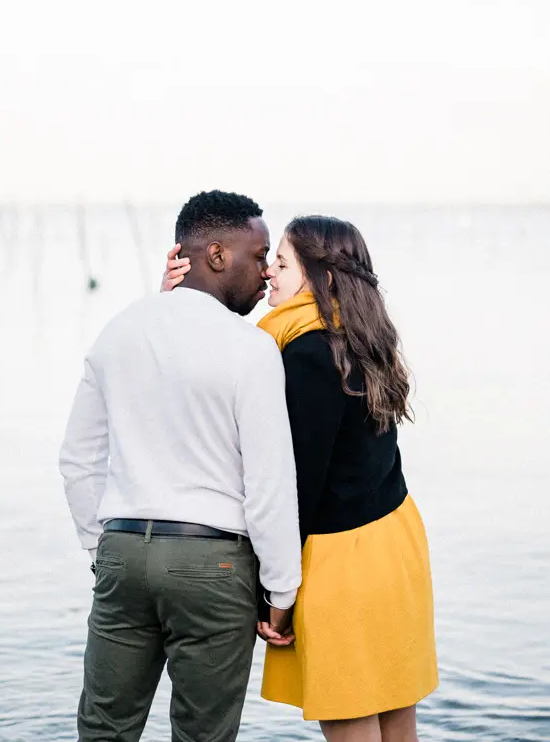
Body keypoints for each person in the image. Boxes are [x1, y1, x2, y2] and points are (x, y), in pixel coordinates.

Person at [164, 214, 439, 742]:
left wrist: (276, 597)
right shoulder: (356, 337)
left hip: (344, 560)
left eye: (283, 263)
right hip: (393, 541)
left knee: (351, 707)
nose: (268, 273)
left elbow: (297, 486)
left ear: (324, 279)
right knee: (394, 705)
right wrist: (181, 304)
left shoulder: (308, 353)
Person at [59, 190, 302, 742]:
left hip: (123, 549)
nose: (266, 273)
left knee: (104, 729)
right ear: (216, 255)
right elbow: (268, 485)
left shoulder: (117, 331)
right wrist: (281, 594)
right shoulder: (251, 349)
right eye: (259, 254)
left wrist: (102, 551)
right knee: (203, 735)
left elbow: (77, 460)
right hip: (211, 563)